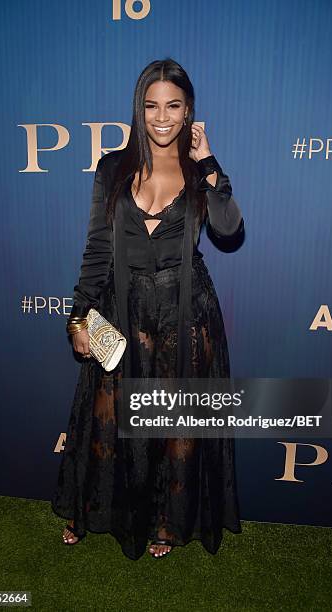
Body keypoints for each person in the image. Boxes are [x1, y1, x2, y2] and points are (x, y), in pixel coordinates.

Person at [51, 57, 245, 560]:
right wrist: (79, 315)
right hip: (124, 310)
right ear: (139, 109)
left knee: (176, 424)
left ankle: (166, 521)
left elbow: (228, 228)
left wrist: (210, 166)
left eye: (173, 106)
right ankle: (93, 508)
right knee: (108, 419)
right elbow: (97, 248)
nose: (162, 117)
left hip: (187, 314)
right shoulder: (113, 167)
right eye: (152, 105)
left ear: (188, 111)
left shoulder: (201, 170)